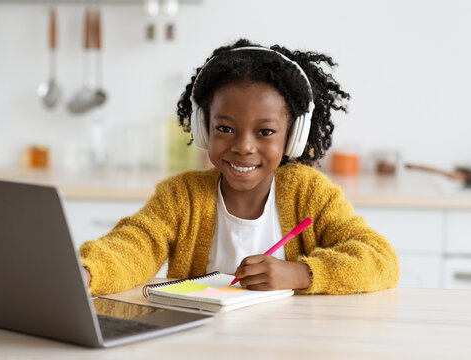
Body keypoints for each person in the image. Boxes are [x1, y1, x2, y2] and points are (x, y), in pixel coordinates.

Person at [80, 39, 399, 295]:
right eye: (225, 129)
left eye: (265, 132)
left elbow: (381, 260)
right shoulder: (182, 196)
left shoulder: (310, 193)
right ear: (203, 128)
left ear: (293, 137)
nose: (244, 146)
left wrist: (301, 273)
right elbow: (135, 244)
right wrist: (88, 271)